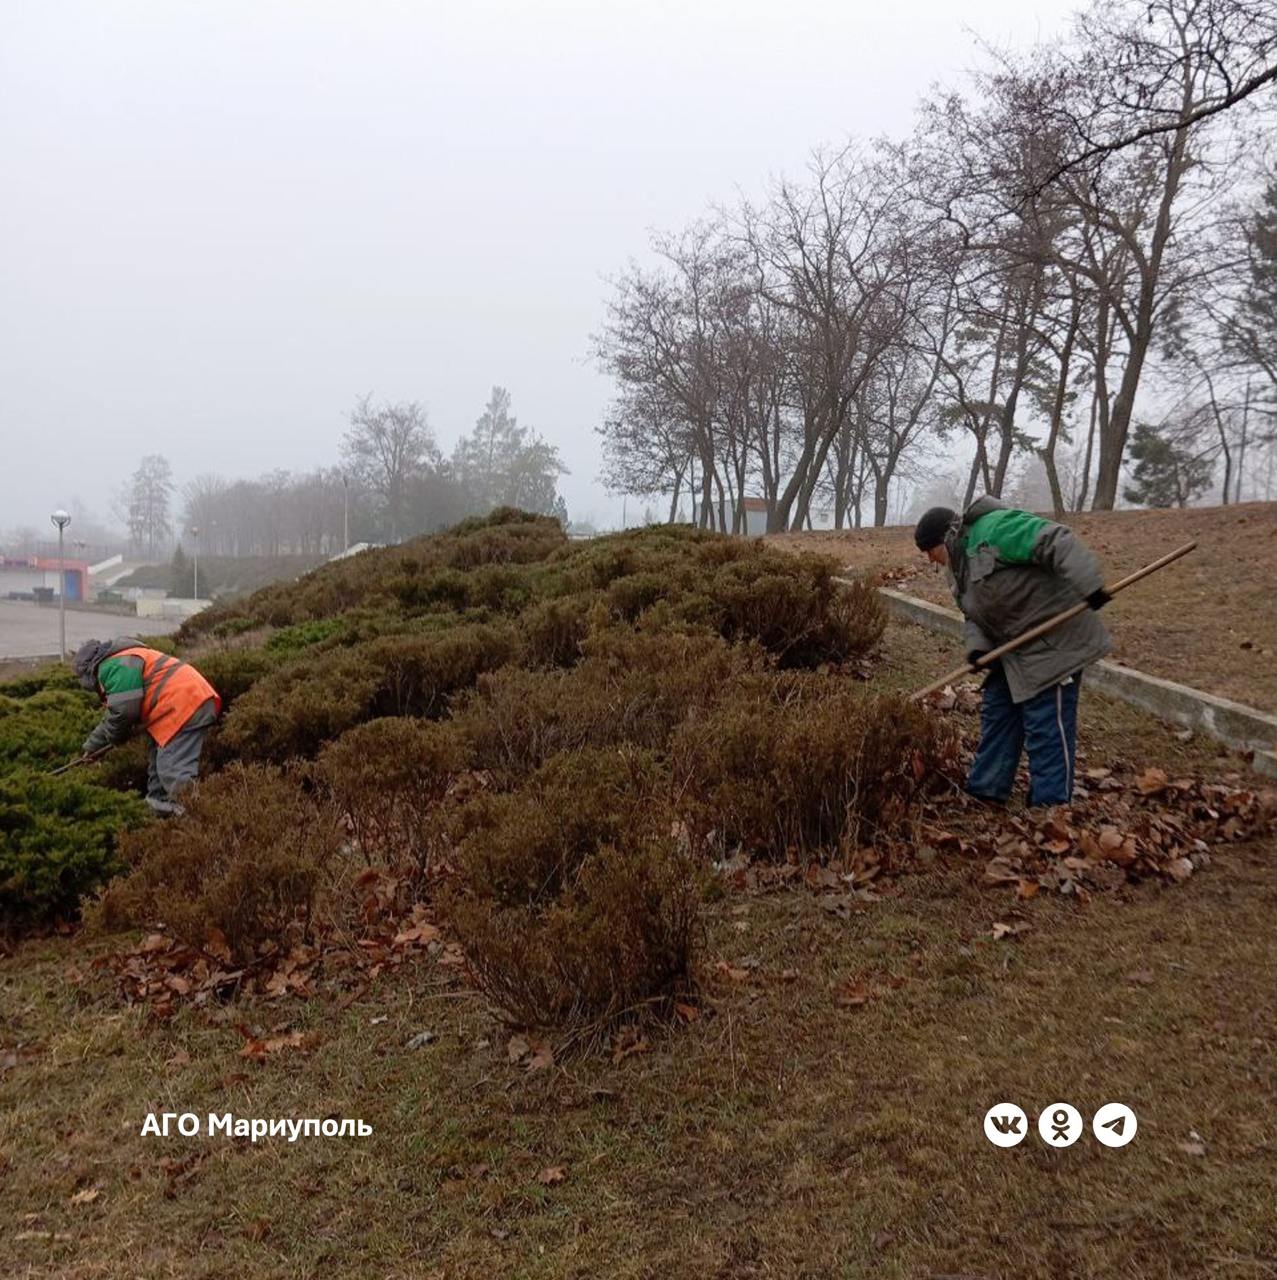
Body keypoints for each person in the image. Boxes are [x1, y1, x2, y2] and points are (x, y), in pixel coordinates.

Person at [913, 497, 1112, 807]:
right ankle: (986, 789)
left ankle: (1050, 807)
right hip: (1013, 648)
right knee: (998, 710)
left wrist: (1091, 586)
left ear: (947, 537)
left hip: (1053, 638)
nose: (929, 560)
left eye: (929, 551)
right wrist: (978, 649)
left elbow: (1055, 539)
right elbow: (973, 615)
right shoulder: (956, 569)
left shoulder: (996, 528)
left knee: (1046, 722)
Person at [72, 637, 221, 815]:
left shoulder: (114, 666)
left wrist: (113, 740)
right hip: (178, 706)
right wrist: (93, 747)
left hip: (183, 705)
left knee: (172, 769)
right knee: (158, 767)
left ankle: (199, 819)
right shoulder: (122, 659)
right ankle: (159, 814)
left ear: (89, 672)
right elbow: (117, 715)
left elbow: (123, 713)